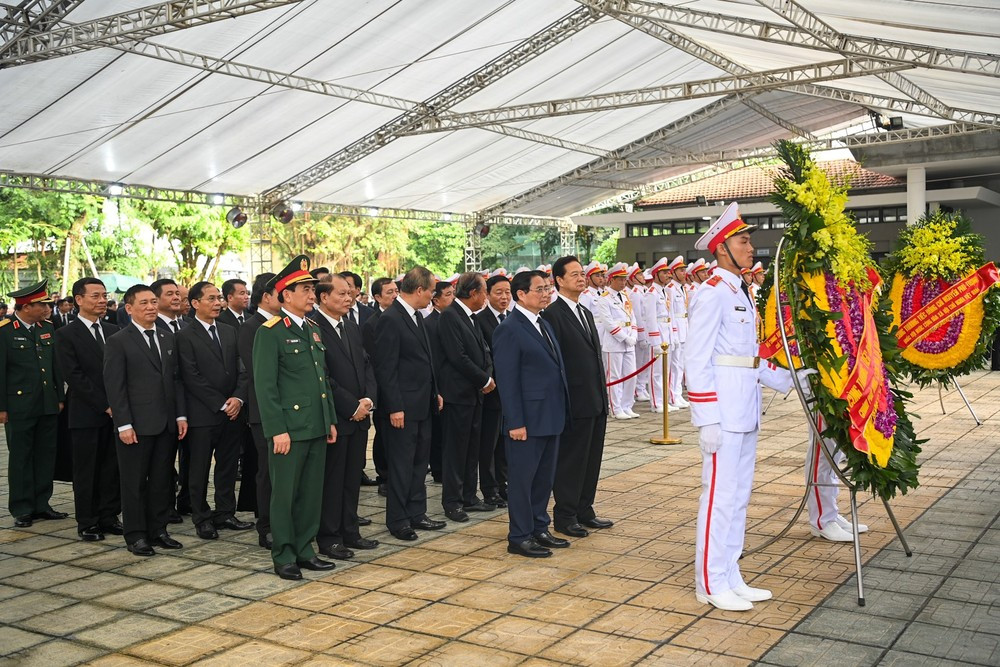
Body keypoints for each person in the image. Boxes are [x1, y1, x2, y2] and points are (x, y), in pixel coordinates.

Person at [686, 202, 807, 611]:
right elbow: (697, 358)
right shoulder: (712, 294)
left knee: (738, 498)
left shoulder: (741, 291)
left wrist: (790, 379)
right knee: (718, 497)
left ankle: (730, 573)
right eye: (743, 240)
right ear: (722, 248)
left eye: (749, 240)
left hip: (745, 410)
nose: (751, 247)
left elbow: (748, 356)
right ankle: (709, 581)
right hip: (723, 412)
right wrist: (707, 418)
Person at [253, 256, 338, 580]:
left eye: (312, 289)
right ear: (285, 295)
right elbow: (265, 387)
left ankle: (305, 549)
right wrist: (277, 430)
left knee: (310, 494)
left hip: (315, 426)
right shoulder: (270, 332)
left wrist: (329, 419)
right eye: (305, 289)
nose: (311, 294)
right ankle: (284, 554)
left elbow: (322, 381)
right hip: (289, 429)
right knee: (285, 495)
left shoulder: (312, 329)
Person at [104, 284, 188, 556]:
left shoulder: (166, 337)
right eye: (144, 303)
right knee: (134, 482)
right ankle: (136, 535)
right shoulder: (119, 341)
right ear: (129, 309)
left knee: (162, 480)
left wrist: (180, 415)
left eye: (153, 302)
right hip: (136, 426)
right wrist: (124, 424)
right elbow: (115, 386)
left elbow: (175, 381)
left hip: (166, 424)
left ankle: (158, 529)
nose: (151, 307)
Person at [493, 270, 570, 558]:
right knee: (523, 481)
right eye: (540, 289)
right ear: (521, 294)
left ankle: (539, 527)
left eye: (548, 288)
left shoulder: (543, 324)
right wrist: (515, 422)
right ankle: (520, 536)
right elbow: (508, 380)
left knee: (543, 479)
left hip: (550, 416)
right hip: (526, 421)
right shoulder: (510, 328)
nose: (547, 293)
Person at [373, 266, 446, 542]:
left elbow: (426, 360)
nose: (432, 296)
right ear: (419, 290)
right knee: (402, 465)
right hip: (403, 406)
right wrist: (394, 407)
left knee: (419, 462)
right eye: (430, 291)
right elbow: (386, 367)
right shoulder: (391, 319)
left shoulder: (416, 315)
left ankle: (417, 512)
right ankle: (399, 519)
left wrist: (435, 391)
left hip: (423, 403)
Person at [543, 257, 613, 539]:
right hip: (574, 402)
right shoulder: (553, 314)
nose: (581, 278)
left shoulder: (584, 311)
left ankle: (585, 508)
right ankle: (565, 514)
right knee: (571, 460)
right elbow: (554, 363)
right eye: (574, 274)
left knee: (591, 458)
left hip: (594, 399)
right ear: (558, 280)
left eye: (582, 273)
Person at [175, 281, 251, 540]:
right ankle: (202, 517)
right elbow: (191, 376)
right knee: (198, 469)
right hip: (203, 414)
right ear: (195, 303)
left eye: (219, 298)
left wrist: (238, 399)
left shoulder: (230, 331)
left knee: (228, 466)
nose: (218, 303)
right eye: (212, 298)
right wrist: (221, 402)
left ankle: (225, 512)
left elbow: (244, 369)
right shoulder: (184, 335)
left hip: (233, 412)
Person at [314, 277, 380, 558]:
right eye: (341, 293)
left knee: (352, 478)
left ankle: (350, 531)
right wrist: (350, 406)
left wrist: (367, 399)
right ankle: (329, 537)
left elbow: (367, 366)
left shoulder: (351, 327)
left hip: (360, 416)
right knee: (332, 481)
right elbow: (322, 378)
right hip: (337, 417)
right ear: (323, 297)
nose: (348, 297)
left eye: (350, 293)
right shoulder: (313, 329)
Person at [55, 278, 122, 541]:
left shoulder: (113, 329)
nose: (102, 300)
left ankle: (109, 515)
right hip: (86, 412)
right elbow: (74, 376)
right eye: (95, 296)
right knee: (87, 469)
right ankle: (88, 521)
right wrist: (105, 405)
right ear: (78, 300)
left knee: (111, 467)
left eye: (104, 295)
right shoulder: (66, 334)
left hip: (117, 412)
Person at [0, 280, 66, 528]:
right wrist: (2, 407)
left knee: (45, 455)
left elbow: (55, 366)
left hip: (48, 403)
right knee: (21, 457)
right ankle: (22, 507)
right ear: (26, 306)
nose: (47, 308)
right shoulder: (5, 331)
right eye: (42, 304)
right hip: (19, 406)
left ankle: (42, 504)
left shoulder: (46, 328)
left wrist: (59, 398)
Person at [438, 272, 496, 523]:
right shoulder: (450, 316)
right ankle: (453, 501)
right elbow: (457, 356)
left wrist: (488, 374)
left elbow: (484, 350)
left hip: (475, 394)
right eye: (484, 291)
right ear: (473, 293)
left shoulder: (470, 317)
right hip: (458, 394)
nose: (486, 297)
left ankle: (470, 496)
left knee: (472, 447)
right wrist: (483, 379)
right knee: (456, 450)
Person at [238, 272, 277, 550]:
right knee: (267, 472)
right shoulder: (252, 327)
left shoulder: (283, 324)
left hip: (288, 412)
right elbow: (258, 374)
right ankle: (267, 527)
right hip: (264, 412)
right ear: (266, 297)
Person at [151, 278, 189, 520]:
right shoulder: (153, 329)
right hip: (161, 407)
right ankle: (164, 507)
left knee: (190, 458)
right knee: (162, 462)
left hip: (189, 404)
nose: (176, 298)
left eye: (178, 294)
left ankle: (186, 501)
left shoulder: (187, 326)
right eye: (170, 294)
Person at [475, 274, 511, 507]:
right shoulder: (480, 320)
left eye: (507, 292)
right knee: (489, 443)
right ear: (487, 295)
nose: (504, 297)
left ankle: (503, 484)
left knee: (505, 443)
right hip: (491, 391)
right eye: (498, 292)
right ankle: (489, 489)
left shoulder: (512, 318)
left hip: (510, 393)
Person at [362, 277, 399, 492]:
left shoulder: (401, 318)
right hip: (382, 388)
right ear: (377, 297)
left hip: (398, 387)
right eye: (389, 293)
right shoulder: (372, 324)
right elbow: (374, 361)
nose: (394, 295)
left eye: (396, 291)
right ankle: (383, 475)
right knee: (383, 433)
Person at [594, 262, 639, 420]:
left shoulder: (625, 295)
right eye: (620, 279)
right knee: (615, 376)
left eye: (625, 279)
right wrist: (625, 337)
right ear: (611, 279)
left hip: (629, 341)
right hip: (614, 343)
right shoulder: (604, 299)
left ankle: (627, 405)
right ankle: (616, 407)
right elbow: (608, 323)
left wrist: (633, 335)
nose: (623, 282)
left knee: (631, 375)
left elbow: (632, 318)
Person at [424, 281, 455, 485]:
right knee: (438, 433)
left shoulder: (451, 319)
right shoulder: (430, 323)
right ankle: (438, 469)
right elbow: (434, 359)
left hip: (451, 387)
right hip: (440, 384)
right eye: (448, 295)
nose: (452, 298)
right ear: (435, 300)